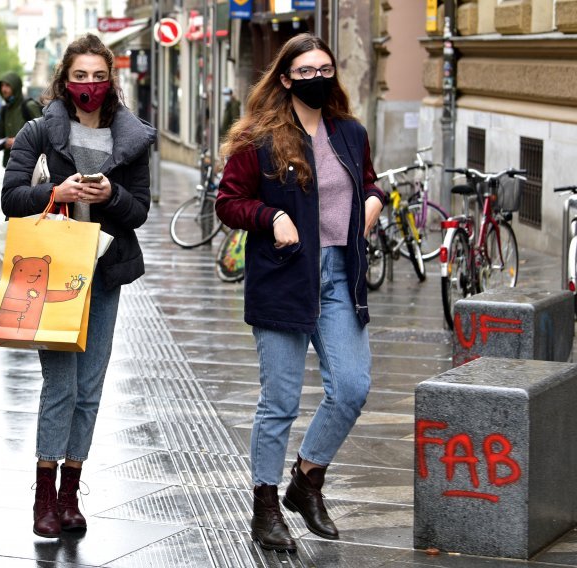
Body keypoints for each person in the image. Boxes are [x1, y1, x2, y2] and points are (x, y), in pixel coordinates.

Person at [215, 34, 384, 553]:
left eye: (325, 68)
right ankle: (265, 506)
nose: (318, 77)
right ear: (285, 78)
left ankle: (306, 479)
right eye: (306, 70)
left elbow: (370, 183)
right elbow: (229, 202)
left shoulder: (349, 133)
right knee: (280, 403)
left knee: (352, 388)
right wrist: (271, 216)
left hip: (340, 274)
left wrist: (374, 203)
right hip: (285, 278)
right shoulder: (259, 138)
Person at [1, 33, 156, 538]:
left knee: (89, 390)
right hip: (52, 275)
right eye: (79, 76)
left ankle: (71, 496)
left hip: (105, 273)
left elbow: (140, 212)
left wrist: (111, 194)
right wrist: (57, 191)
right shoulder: (38, 132)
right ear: (64, 81)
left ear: (110, 78)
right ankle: (43, 500)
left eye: (97, 75)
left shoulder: (131, 139)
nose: (89, 85)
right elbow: (11, 198)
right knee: (60, 386)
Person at [0, 72, 42, 167]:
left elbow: (42, 135)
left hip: (28, 164)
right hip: (9, 164)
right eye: (2, 86)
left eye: (7, 85)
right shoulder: (5, 110)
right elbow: (2, 136)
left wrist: (18, 141)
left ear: (16, 87)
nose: (3, 89)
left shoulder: (29, 106)